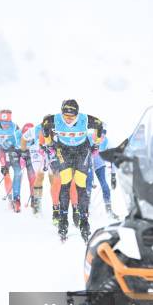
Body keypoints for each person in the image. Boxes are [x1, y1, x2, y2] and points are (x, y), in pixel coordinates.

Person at [42, 99, 104, 241]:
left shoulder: (85, 119)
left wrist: (96, 144)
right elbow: (44, 125)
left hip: (82, 150)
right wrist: (49, 144)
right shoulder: (55, 119)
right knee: (66, 182)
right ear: (61, 113)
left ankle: (84, 220)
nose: (68, 119)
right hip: (63, 150)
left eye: (72, 116)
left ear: (77, 114)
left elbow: (99, 125)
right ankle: (63, 219)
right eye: (66, 116)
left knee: (81, 184)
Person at [0, 109, 22, 212]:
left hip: (6, 149)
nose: (5, 125)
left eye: (8, 123)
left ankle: (10, 199)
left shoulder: (15, 127)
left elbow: (20, 139)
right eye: (3, 122)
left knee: (6, 173)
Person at [86, 128, 118, 218]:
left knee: (104, 185)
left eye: (104, 136)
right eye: (100, 135)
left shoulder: (107, 141)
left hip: (99, 162)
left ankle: (109, 210)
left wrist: (113, 175)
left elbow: (114, 157)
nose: (102, 138)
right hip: (89, 161)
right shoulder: (88, 137)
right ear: (95, 133)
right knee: (88, 184)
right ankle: (85, 210)